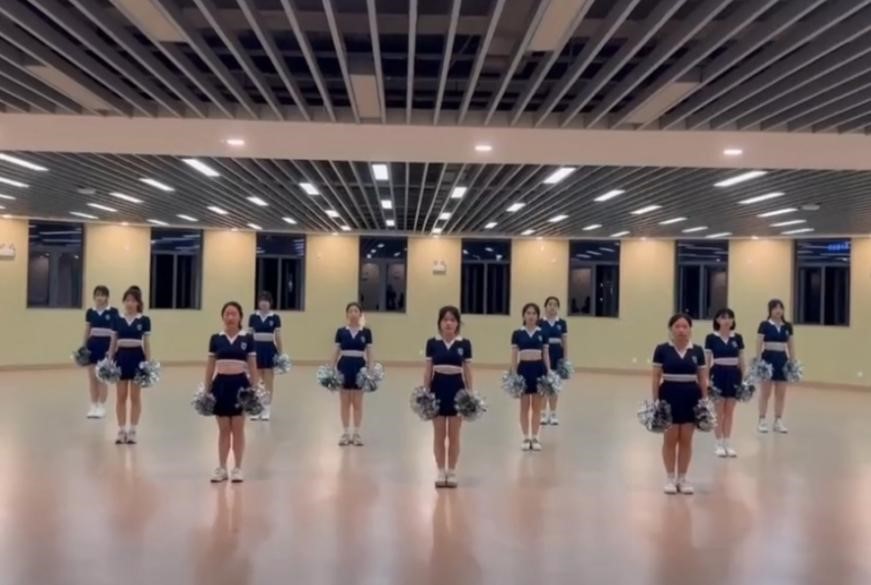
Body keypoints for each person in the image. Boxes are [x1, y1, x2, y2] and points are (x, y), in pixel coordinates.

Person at [652, 314, 708, 495]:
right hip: (668, 395)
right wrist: (656, 401)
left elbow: (702, 377)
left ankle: (682, 478)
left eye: (685, 326)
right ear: (671, 329)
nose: (681, 330)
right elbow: (655, 376)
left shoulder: (697, 351)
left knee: (686, 439)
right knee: (670, 439)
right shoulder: (662, 349)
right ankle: (670, 478)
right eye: (677, 326)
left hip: (691, 397)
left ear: (690, 329)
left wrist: (704, 401)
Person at [205, 301, 257, 483]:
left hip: (240, 386)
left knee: (238, 428)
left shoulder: (247, 339)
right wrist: (206, 389)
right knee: (223, 429)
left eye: (234, 314)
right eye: (227, 313)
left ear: (240, 317)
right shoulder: (216, 339)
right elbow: (210, 366)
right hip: (220, 386)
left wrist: (255, 389)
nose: (230, 317)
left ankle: (238, 468)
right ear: (222, 317)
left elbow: (252, 366)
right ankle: (221, 468)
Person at [424, 306, 473, 488]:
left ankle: (451, 471)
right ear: (440, 323)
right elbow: (428, 370)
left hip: (457, 390)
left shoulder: (464, 344)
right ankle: (440, 470)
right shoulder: (432, 343)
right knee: (439, 434)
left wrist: (470, 393)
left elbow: (468, 371)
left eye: (452, 320)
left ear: (457, 323)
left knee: (453, 435)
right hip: (437, 388)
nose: (448, 323)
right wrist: (425, 392)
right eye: (445, 319)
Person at [108, 287, 150, 445]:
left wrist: (148, 363)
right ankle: (121, 430)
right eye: (127, 300)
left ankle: (133, 430)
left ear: (138, 303)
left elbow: (147, 343)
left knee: (135, 397)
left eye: (133, 300)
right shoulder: (117, 319)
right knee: (121, 396)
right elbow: (113, 342)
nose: (130, 303)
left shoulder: (144, 320)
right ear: (124, 302)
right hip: (121, 358)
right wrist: (109, 361)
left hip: (137, 358)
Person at [704, 308, 745, 457]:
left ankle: (727, 442)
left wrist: (743, 380)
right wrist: (706, 381)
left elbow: (741, 360)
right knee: (719, 411)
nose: (727, 320)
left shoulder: (737, 338)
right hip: (718, 374)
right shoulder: (711, 338)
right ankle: (718, 442)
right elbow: (707, 361)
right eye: (723, 317)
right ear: (717, 320)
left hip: (734, 375)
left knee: (729, 411)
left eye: (730, 318)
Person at [331, 302, 373, 446]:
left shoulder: (366, 332)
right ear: (347, 314)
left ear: (360, 314)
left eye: (356, 311)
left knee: (357, 403)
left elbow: (370, 353)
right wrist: (331, 368)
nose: (353, 313)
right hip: (344, 367)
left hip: (360, 368)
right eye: (350, 311)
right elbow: (336, 351)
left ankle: (356, 433)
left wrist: (370, 369)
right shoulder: (341, 331)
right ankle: (345, 433)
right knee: (344, 403)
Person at [512, 302, 550, 451]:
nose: (531, 316)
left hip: (538, 370)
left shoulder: (542, 333)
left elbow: (546, 355)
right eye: (528, 313)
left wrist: (548, 373)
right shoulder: (517, 333)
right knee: (524, 406)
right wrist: (514, 374)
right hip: (523, 370)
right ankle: (525, 437)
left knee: (536, 407)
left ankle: (535, 437)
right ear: (523, 315)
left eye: (534, 313)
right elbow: (514, 356)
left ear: (538, 316)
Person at [756, 299, 796, 434]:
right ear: (770, 310)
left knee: (781, 393)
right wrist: (759, 361)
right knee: (765, 393)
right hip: (767, 359)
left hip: (782, 360)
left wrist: (792, 362)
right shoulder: (764, 325)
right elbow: (759, 343)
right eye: (775, 308)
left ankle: (778, 420)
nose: (778, 310)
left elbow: (791, 345)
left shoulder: (787, 326)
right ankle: (762, 420)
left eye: (780, 308)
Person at [83, 285, 117, 419]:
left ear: (107, 297)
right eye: (97, 295)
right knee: (92, 378)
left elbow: (115, 333)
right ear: (94, 297)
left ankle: (102, 406)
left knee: (102, 378)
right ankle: (93, 405)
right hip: (92, 345)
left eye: (102, 295)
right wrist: (84, 347)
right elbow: (87, 330)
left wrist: (112, 350)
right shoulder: (90, 312)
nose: (99, 297)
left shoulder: (113, 312)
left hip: (106, 346)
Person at [248, 292, 283, 421]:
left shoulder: (275, 317)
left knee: (268, 381)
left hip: (269, 350)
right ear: (258, 303)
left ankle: (266, 408)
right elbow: (249, 336)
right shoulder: (253, 317)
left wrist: (281, 354)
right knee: (256, 380)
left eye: (266, 300)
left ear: (270, 303)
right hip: (256, 350)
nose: (264, 303)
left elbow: (278, 337)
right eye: (262, 300)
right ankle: (256, 408)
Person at [539, 296, 567, 426]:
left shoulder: (562, 323)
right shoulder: (540, 322)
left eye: (555, 304)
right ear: (545, 307)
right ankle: (543, 413)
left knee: (554, 386)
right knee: (544, 386)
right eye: (550, 304)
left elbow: (565, 342)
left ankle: (553, 414)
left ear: (558, 308)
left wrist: (565, 359)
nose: (552, 307)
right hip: (543, 356)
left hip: (557, 356)